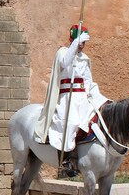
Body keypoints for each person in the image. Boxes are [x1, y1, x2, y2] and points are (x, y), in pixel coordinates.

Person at [34, 24, 108, 177]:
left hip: (82, 98)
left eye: (83, 43)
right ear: (71, 39)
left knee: (94, 121)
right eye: (78, 42)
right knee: (69, 122)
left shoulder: (84, 58)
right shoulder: (62, 53)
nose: (81, 45)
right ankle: (67, 160)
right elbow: (65, 63)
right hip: (67, 98)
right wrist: (75, 43)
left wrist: (98, 97)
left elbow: (88, 81)